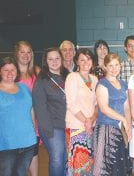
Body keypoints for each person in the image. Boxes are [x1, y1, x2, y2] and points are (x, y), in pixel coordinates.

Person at [93, 53, 132, 175]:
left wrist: (129, 124)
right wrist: (123, 120)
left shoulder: (124, 84)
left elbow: (127, 107)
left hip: (120, 130)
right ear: (105, 67)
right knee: (105, 167)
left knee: (120, 166)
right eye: (110, 65)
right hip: (106, 129)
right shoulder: (102, 84)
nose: (114, 68)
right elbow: (104, 108)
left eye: (116, 65)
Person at [32, 47, 69, 176]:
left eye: (57, 58)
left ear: (61, 59)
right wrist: (48, 132)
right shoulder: (42, 81)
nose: (54, 61)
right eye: (50, 59)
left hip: (68, 125)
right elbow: (40, 108)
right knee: (57, 159)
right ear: (45, 61)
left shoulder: (68, 76)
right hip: (53, 127)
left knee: (65, 160)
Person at [0, 57, 37, 176]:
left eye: (13, 69)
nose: (10, 73)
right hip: (6, 145)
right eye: (6, 70)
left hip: (28, 143)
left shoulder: (24, 88)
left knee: (21, 173)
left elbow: (31, 110)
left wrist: (33, 131)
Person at [65, 48, 98, 175]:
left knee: (89, 164)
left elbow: (96, 104)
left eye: (88, 59)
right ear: (77, 62)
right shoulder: (72, 77)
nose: (85, 62)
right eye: (82, 60)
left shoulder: (94, 79)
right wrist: (86, 122)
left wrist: (93, 118)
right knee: (78, 165)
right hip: (76, 127)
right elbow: (71, 104)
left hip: (91, 127)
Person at [14, 40, 40, 176]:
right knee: (17, 159)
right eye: (22, 52)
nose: (26, 55)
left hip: (33, 122)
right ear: (16, 54)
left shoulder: (36, 71)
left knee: (33, 154)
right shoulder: (10, 73)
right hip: (15, 124)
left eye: (28, 52)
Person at [119, 35, 134, 174]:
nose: (133, 48)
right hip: (125, 111)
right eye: (130, 45)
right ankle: (127, 171)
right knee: (127, 141)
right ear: (125, 48)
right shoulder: (120, 66)